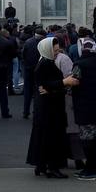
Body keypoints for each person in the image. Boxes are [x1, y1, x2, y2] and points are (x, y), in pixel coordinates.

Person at [65, 37, 96, 180]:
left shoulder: (79, 64)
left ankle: (91, 169)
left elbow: (73, 83)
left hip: (84, 106)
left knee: (86, 139)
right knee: (95, 138)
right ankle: (90, 167)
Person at [26, 36, 69, 178]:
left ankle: (42, 164)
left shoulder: (44, 61)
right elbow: (46, 84)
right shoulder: (46, 64)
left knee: (44, 136)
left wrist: (51, 88)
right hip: (51, 107)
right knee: (52, 136)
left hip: (45, 106)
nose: (57, 53)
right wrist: (64, 82)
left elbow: (44, 86)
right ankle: (52, 166)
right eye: (55, 51)